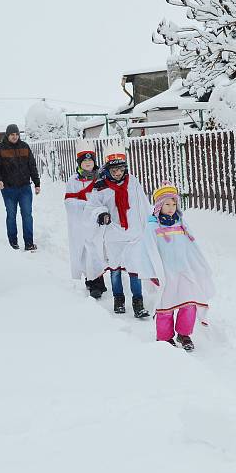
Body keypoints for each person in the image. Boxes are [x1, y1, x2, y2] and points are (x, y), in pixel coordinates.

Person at [126, 183, 215, 352]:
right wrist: (152, 273)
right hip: (165, 274)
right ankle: (165, 338)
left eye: (174, 204)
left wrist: (197, 267)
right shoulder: (153, 226)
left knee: (188, 303)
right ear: (159, 205)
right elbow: (147, 251)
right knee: (165, 307)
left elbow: (191, 247)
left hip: (184, 272)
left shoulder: (181, 224)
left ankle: (184, 334)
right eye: (167, 204)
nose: (171, 208)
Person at [86, 150, 151, 318]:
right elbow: (92, 207)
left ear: (125, 169)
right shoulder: (100, 187)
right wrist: (101, 214)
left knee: (134, 269)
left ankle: (138, 302)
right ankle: (119, 299)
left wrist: (149, 221)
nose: (117, 173)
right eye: (114, 170)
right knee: (115, 269)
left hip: (133, 234)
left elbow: (142, 203)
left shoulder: (133, 183)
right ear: (108, 170)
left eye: (121, 170)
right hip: (113, 234)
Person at [64, 145, 106, 298]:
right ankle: (91, 280)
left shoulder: (101, 178)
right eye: (84, 161)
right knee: (85, 251)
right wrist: (86, 206)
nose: (88, 163)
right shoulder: (73, 180)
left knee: (96, 250)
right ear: (79, 163)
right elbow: (69, 202)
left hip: (97, 221)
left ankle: (97, 282)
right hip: (81, 222)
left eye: (90, 160)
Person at [0, 124, 41, 251]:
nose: (15, 137)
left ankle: (29, 243)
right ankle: (13, 243)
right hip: (8, 189)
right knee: (11, 215)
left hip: (25, 188)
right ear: (8, 135)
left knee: (27, 215)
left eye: (17, 134)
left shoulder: (25, 147)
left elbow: (32, 166)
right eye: (12, 134)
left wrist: (37, 183)